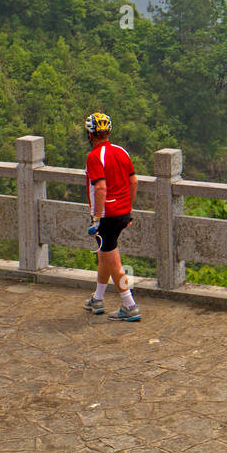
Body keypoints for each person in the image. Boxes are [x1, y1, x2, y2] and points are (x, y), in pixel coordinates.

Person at [81, 112, 141, 322]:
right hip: (122, 212)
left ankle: (129, 304)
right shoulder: (121, 151)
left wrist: (96, 219)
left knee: (114, 262)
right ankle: (97, 299)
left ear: (90, 134)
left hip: (106, 215)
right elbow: (133, 182)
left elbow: (100, 187)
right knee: (105, 256)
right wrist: (128, 209)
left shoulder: (94, 157)